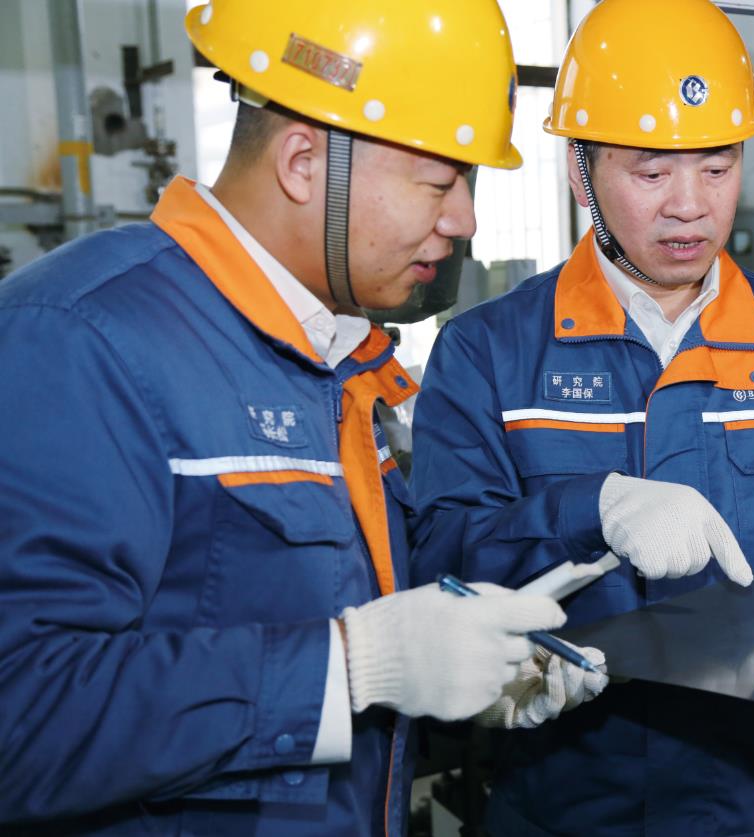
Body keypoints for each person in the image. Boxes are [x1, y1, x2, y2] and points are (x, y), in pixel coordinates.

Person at [0, 2, 570, 834]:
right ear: (303, 164)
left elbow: (311, 612)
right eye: (440, 181)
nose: (464, 220)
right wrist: (352, 669)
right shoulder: (80, 341)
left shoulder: (331, 358)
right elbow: (20, 714)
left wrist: (466, 661)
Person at [408, 0, 754, 833]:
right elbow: (441, 559)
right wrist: (585, 510)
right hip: (561, 805)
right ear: (580, 173)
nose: (689, 206)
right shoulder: (488, 354)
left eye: (717, 167)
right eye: (650, 173)